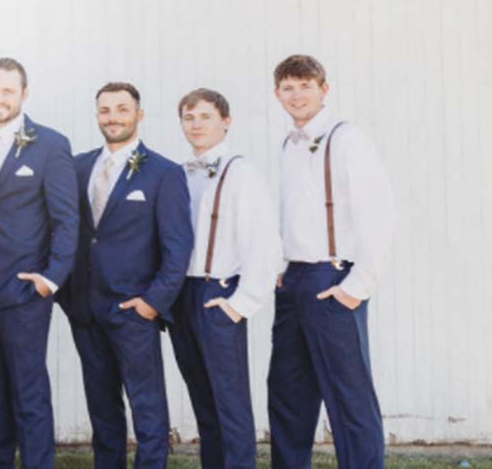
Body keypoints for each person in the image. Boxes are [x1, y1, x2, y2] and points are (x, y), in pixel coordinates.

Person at [267, 54, 394, 469]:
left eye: (305, 85)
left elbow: (377, 211)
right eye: (288, 87)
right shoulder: (289, 142)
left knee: (348, 397)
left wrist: (358, 285)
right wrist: (282, 271)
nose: (297, 94)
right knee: (288, 394)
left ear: (324, 89)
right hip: (296, 279)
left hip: (333, 278)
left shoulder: (346, 138)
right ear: (277, 94)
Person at [57, 83, 191, 469]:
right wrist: (68, 297)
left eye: (121, 109)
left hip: (134, 310)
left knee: (147, 408)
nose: (112, 117)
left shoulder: (164, 173)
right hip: (85, 310)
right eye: (105, 110)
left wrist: (153, 303)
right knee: (102, 409)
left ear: (139, 115)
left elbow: (178, 247)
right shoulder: (78, 166)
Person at [0, 59, 77, 469]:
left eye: (7, 91)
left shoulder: (50, 144)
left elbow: (65, 218)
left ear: (24, 93)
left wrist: (51, 278)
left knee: (28, 391)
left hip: (24, 289)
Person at [171, 88, 280, 469]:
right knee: (203, 400)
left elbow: (265, 244)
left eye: (205, 116)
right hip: (182, 294)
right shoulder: (181, 172)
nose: (196, 124)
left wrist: (240, 304)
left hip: (218, 294)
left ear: (226, 121)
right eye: (189, 117)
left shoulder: (242, 172)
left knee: (229, 402)